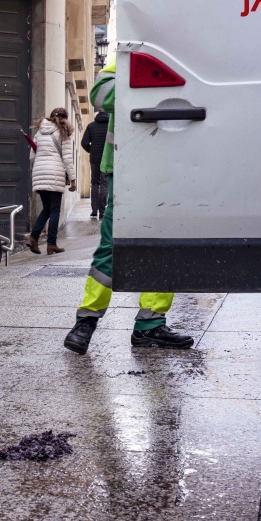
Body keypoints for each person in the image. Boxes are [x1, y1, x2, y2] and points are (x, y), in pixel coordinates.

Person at [63, 57, 194, 353]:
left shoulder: (194, 53)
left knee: (166, 246)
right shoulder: (136, 49)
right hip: (128, 167)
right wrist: (159, 89)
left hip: (174, 168)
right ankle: (86, 320)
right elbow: (100, 91)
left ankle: (150, 324)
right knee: (112, 246)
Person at [26, 107, 77, 255]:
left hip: (39, 173)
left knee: (47, 208)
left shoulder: (39, 132)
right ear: (64, 118)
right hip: (54, 173)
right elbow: (67, 158)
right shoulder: (63, 132)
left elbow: (32, 156)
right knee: (54, 209)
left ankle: (34, 238)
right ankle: (52, 244)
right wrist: (72, 180)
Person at [81, 109, 110, 219]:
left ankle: (94, 210)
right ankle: (102, 211)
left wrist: (92, 151)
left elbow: (84, 143)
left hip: (94, 159)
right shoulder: (111, 126)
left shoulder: (91, 126)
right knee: (104, 183)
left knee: (95, 183)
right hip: (107, 159)